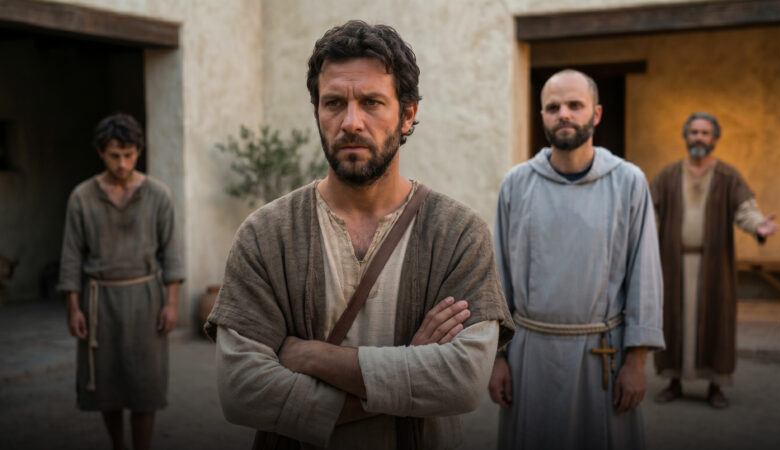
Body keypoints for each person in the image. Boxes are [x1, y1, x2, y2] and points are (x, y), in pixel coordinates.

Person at [204, 20, 514, 450]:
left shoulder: (458, 234)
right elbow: (241, 391)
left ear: (408, 114)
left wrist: (315, 357)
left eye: (371, 102)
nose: (351, 122)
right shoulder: (266, 234)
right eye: (334, 103)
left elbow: (462, 383)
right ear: (317, 112)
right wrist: (408, 369)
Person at [489, 69, 665, 449]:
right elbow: (497, 277)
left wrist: (636, 363)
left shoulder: (628, 182)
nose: (563, 114)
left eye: (574, 105)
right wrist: (497, 358)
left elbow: (644, 276)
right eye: (553, 107)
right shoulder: (517, 184)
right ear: (542, 116)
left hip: (602, 355)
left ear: (596, 114)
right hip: (530, 356)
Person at [57, 113, 183, 450]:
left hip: (146, 300)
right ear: (101, 152)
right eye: (115, 155)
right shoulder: (81, 197)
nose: (123, 163)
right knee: (107, 387)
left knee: (145, 388)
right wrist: (73, 309)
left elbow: (171, 254)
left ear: (138, 152)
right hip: (99, 303)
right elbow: (70, 257)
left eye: (129, 155)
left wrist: (171, 305)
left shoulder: (159, 195)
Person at [650, 112, 778, 409]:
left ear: (715, 139)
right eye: (693, 132)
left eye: (705, 133)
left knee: (716, 321)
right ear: (685, 137)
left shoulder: (728, 177)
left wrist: (758, 225)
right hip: (674, 264)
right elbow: (647, 212)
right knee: (672, 321)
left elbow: (746, 211)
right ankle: (674, 381)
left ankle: (715, 386)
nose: (698, 138)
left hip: (714, 267)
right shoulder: (668, 175)